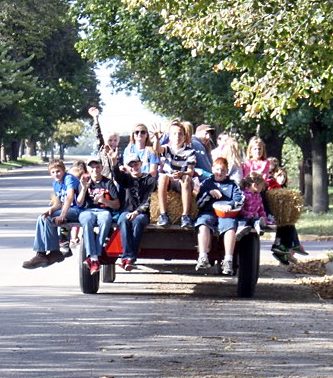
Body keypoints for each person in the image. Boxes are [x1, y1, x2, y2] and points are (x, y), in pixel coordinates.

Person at [22, 159, 81, 269]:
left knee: (50, 220)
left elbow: (69, 197)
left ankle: (55, 251)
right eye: (53, 172)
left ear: (63, 170)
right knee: (42, 217)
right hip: (65, 209)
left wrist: (62, 215)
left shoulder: (68, 179)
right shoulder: (56, 183)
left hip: (76, 210)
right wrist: (51, 210)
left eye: (58, 171)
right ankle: (41, 254)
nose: (56, 174)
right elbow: (59, 202)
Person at [195, 157, 244, 275]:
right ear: (212, 169)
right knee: (202, 224)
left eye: (223, 170)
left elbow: (239, 199)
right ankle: (202, 256)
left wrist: (231, 205)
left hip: (226, 213)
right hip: (209, 212)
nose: (220, 173)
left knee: (230, 227)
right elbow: (198, 203)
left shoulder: (232, 185)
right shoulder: (207, 183)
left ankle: (228, 260)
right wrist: (208, 194)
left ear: (227, 171)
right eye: (217, 169)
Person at [110, 151, 156, 271]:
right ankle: (128, 257)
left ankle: (129, 257)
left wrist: (137, 212)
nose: (134, 167)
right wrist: (114, 161)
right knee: (123, 220)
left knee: (138, 221)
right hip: (127, 211)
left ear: (140, 164)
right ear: (128, 167)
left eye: (136, 164)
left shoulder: (149, 179)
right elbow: (116, 175)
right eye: (131, 165)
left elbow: (150, 200)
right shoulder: (126, 179)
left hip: (142, 213)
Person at [77, 157, 121, 275]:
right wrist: (84, 188)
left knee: (106, 219)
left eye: (97, 167)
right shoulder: (84, 181)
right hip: (88, 210)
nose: (95, 170)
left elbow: (117, 205)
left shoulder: (108, 183)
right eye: (92, 167)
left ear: (101, 168)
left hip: (103, 210)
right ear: (88, 169)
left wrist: (104, 201)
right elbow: (79, 203)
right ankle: (95, 258)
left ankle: (94, 256)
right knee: (87, 221)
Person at [153, 119, 196, 228]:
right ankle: (163, 214)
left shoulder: (190, 151)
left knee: (186, 178)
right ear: (170, 136)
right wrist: (157, 139)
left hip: (180, 180)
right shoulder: (167, 148)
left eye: (180, 134)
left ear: (185, 137)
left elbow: (191, 171)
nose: (177, 136)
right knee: (162, 177)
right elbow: (157, 149)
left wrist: (182, 173)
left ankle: (185, 216)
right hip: (168, 179)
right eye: (174, 134)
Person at [236, 172, 267, 240]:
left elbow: (261, 209)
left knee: (256, 220)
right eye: (261, 186)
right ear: (255, 185)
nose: (262, 188)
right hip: (244, 217)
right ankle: (240, 230)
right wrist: (248, 214)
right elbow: (240, 208)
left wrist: (264, 217)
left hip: (253, 217)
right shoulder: (244, 195)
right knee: (243, 221)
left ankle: (259, 227)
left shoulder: (258, 196)